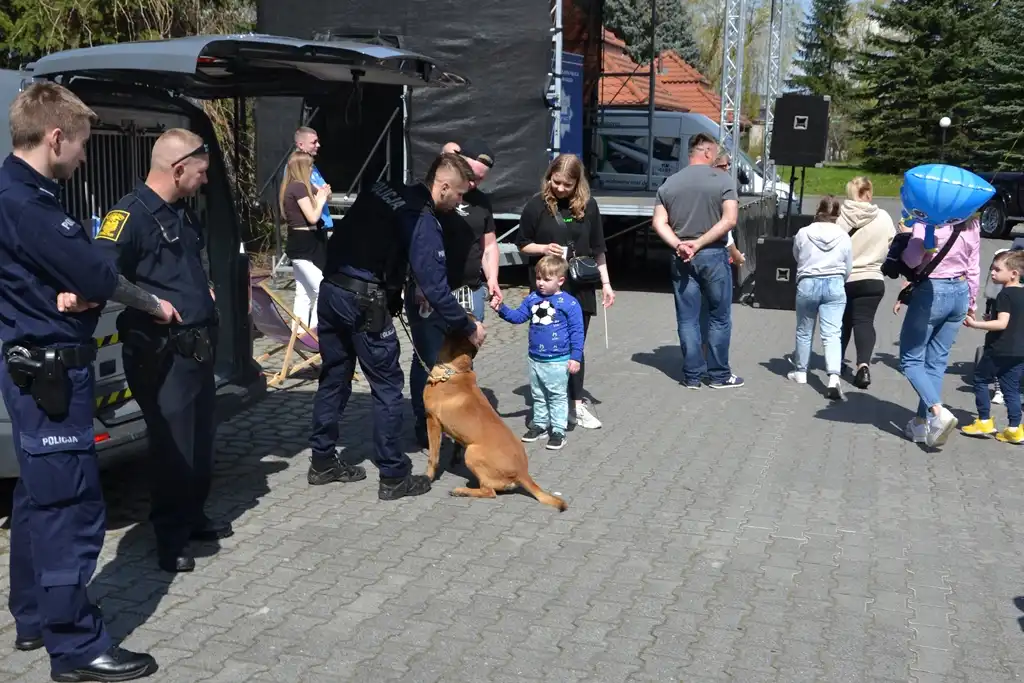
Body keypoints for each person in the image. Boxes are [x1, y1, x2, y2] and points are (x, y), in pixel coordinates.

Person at [0, 82, 163, 681]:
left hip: (29, 368)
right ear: (55, 137)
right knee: (69, 508)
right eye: (82, 144)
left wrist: (70, 291)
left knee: (37, 498)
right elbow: (97, 272)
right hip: (51, 376)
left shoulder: (11, 194)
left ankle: (34, 617)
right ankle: (75, 647)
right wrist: (91, 293)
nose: (84, 157)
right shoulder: (30, 206)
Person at [308, 153, 487, 500]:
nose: (460, 202)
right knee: (388, 387)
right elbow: (435, 287)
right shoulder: (422, 218)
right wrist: (467, 328)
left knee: (334, 377)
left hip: (331, 291)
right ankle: (393, 475)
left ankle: (322, 461)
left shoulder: (384, 189)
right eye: (459, 195)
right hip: (363, 302)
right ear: (444, 187)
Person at [93, 128, 232, 574]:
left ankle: (193, 516)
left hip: (196, 349)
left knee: (200, 440)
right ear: (177, 169)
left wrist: (205, 289)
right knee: (173, 448)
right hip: (162, 352)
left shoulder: (181, 212)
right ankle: (170, 539)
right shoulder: (128, 216)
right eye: (200, 172)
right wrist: (151, 304)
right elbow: (102, 273)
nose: (204, 180)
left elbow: (191, 261)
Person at [407, 138, 502, 448]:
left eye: (480, 180)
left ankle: (457, 421)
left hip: (469, 289)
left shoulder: (482, 202)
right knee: (428, 357)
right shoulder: (435, 196)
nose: (473, 184)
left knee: (462, 360)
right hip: (431, 291)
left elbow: (489, 245)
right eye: (470, 176)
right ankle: (425, 422)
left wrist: (493, 279)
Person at [517, 153, 614, 430]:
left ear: (577, 183)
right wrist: (543, 248)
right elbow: (522, 243)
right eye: (555, 181)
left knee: (575, 347)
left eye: (566, 185)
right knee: (549, 345)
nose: (559, 188)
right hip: (547, 291)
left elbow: (598, 249)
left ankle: (576, 405)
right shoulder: (536, 205)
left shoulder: (589, 206)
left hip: (580, 288)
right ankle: (548, 405)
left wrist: (606, 284)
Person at [652, 133, 742, 389]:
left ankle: (692, 376)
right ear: (708, 152)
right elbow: (730, 220)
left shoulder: (669, 184)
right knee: (719, 317)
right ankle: (719, 375)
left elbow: (658, 222)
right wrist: (700, 243)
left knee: (687, 318)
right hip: (713, 255)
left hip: (681, 257)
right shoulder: (723, 180)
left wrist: (679, 244)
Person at [899, 216, 981, 447]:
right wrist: (972, 302)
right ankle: (921, 423)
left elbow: (912, 260)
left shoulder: (928, 221)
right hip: (960, 290)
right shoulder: (971, 223)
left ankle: (937, 411)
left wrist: (905, 235)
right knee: (936, 361)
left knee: (910, 359)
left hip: (932, 291)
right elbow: (973, 266)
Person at [492, 255, 584, 450]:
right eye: (538, 278)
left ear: (560, 280)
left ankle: (558, 430)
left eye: (547, 279)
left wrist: (575, 357)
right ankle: (540, 425)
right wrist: (502, 309)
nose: (540, 283)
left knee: (557, 396)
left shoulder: (570, 303)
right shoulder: (532, 298)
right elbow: (518, 317)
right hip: (535, 358)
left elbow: (577, 332)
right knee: (538, 394)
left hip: (558, 360)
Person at [786, 196, 853, 400]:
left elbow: (797, 255)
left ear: (818, 210)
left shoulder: (803, 232)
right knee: (832, 333)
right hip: (835, 283)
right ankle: (833, 377)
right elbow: (848, 266)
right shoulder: (844, 236)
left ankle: (800, 371)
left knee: (804, 330)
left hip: (808, 282)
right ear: (838, 214)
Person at [836, 176, 895, 389]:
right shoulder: (884, 217)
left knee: (842, 323)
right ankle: (863, 366)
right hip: (872, 278)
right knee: (864, 322)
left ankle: (836, 362)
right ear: (869, 193)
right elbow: (892, 245)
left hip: (845, 278)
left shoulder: (840, 217)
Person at [961, 250, 1024, 443]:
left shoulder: (1004, 295)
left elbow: (1002, 324)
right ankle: (1014, 429)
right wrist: (993, 318)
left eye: (997, 269)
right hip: (1019, 351)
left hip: (999, 349)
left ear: (1013, 273)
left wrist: (976, 324)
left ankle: (984, 421)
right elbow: (1015, 320)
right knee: (1011, 389)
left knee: (980, 379)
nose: (993, 273)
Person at [279, 150, 329, 331]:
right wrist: (320, 201)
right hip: (303, 245)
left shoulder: (296, 186)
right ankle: (316, 332)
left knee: (304, 293)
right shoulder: (298, 187)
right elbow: (313, 217)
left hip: (303, 242)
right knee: (323, 289)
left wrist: (322, 192)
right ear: (302, 168)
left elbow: (324, 194)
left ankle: (299, 332)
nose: (311, 170)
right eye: (310, 166)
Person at [294, 126, 333, 232]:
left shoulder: (313, 167)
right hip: (309, 227)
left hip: (324, 223)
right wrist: (321, 191)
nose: (318, 145)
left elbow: (328, 194)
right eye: (313, 142)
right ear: (301, 145)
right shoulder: (294, 169)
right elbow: (308, 192)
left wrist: (322, 191)